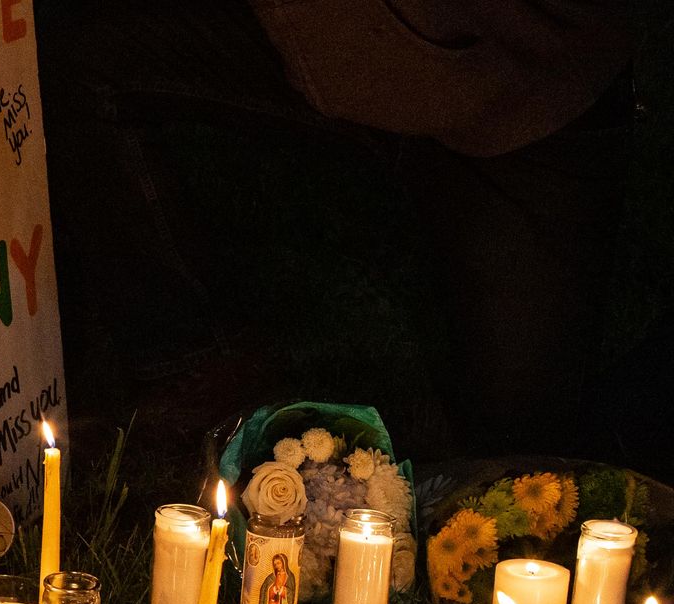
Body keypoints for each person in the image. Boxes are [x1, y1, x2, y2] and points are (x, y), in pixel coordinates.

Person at [38, 0, 637, 459]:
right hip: (321, 35)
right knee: (85, 42)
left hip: (519, 97)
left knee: (524, 456)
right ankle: (190, 367)